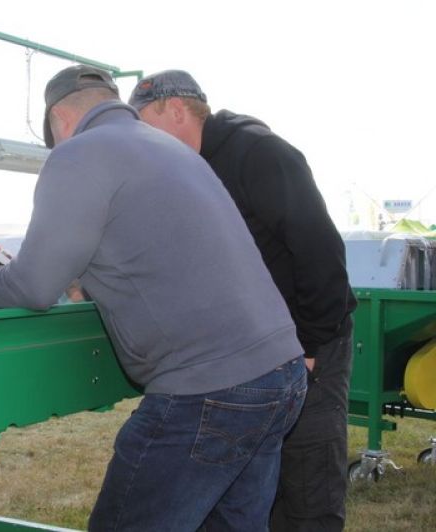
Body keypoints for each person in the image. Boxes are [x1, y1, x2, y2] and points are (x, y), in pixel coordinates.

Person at [0, 64, 307, 531]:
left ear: (59, 119)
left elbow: (30, 287)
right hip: (280, 372)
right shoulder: (170, 148)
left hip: (210, 391)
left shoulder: (78, 154)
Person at [129, 70, 356, 531]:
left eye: (143, 124)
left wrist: (310, 345)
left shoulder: (258, 153)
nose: (139, 141)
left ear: (176, 111)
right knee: (252, 483)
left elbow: (320, 252)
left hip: (306, 343)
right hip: (250, 354)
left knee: (307, 480)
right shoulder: (187, 170)